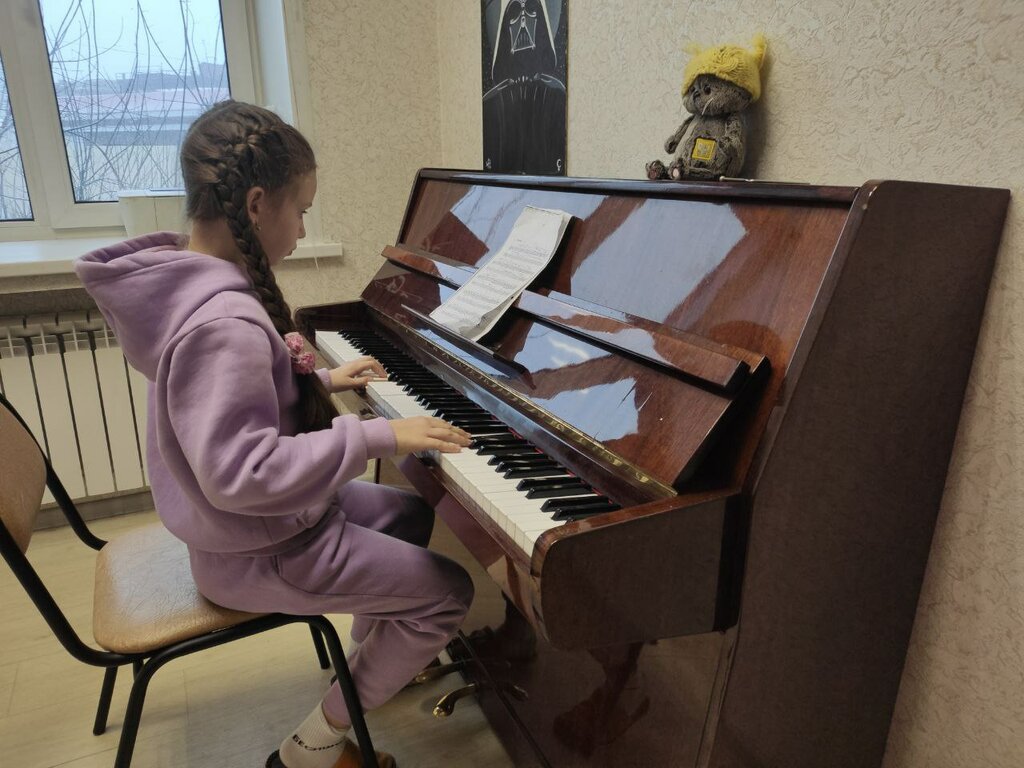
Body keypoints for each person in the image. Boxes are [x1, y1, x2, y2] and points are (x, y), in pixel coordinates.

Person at [75, 100, 475, 768]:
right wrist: (377, 437)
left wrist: (323, 380)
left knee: (410, 514)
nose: (304, 228)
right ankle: (314, 745)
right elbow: (243, 472)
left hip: (258, 531)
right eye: (302, 210)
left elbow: (238, 399)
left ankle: (371, 664)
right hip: (262, 550)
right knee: (451, 593)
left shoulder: (190, 284)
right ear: (257, 205)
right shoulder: (222, 325)